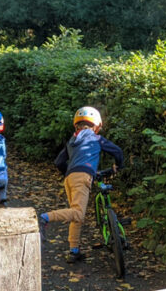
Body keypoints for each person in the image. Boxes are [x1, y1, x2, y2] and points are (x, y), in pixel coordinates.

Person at [40, 106, 124, 263]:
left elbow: (59, 162)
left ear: (76, 125)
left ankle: (74, 251)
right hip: (82, 176)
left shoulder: (72, 141)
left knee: (75, 214)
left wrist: (72, 172)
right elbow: (117, 152)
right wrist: (118, 166)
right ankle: (45, 218)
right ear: (97, 125)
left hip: (70, 178)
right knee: (78, 213)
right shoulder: (95, 137)